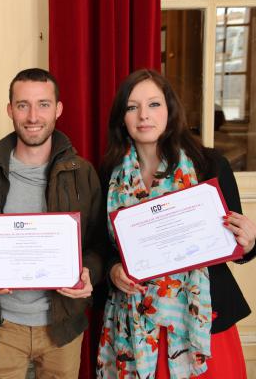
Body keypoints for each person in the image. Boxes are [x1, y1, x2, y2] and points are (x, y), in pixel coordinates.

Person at [96, 69, 256, 378]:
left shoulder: (208, 164)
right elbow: (101, 247)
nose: (144, 115)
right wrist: (114, 269)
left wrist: (249, 241)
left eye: (154, 104)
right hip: (133, 325)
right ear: (122, 117)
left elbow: (239, 247)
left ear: (170, 110)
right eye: (132, 107)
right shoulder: (107, 174)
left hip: (200, 322)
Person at [0, 68, 105, 378]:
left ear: (58, 109)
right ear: (9, 109)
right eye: (23, 105)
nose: (33, 116)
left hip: (61, 326)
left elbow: (97, 245)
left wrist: (90, 271)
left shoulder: (82, 173)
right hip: (3, 325)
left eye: (43, 104)